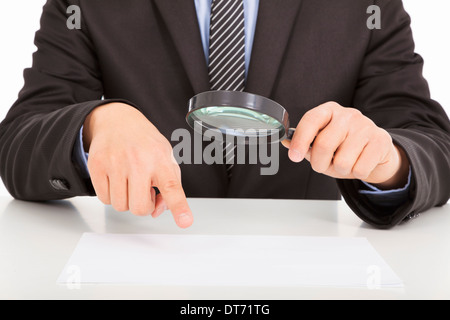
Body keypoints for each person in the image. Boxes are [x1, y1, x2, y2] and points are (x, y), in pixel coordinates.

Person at [0, 0, 449, 229]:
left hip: (311, 277)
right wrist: (94, 125)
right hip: (145, 266)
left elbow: (430, 141)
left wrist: (389, 162)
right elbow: (19, 141)